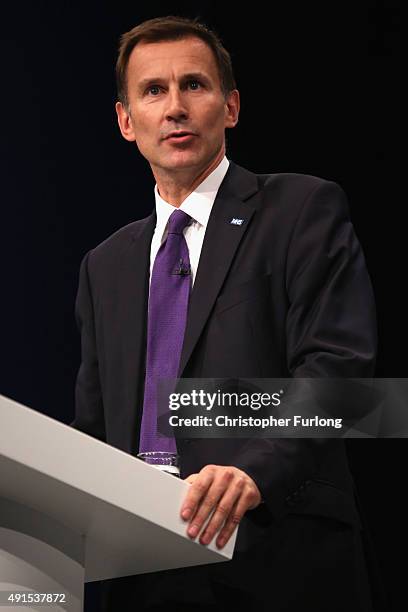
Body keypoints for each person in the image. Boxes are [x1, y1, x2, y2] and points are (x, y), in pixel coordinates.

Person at [70, 15, 379, 612]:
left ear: (231, 107)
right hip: (145, 575)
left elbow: (342, 377)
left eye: (195, 85)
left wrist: (254, 472)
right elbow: (95, 429)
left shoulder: (300, 210)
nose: (176, 107)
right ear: (126, 121)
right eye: (153, 91)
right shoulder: (103, 265)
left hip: (279, 559)